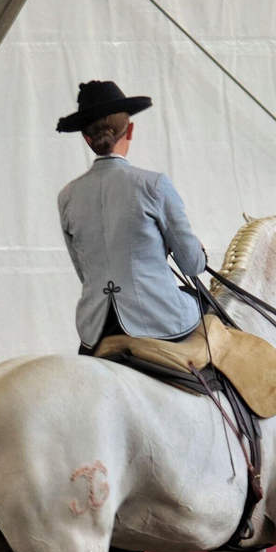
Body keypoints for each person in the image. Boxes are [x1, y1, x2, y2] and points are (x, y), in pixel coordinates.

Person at [55, 80, 207, 353]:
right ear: (131, 130)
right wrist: (199, 254)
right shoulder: (154, 185)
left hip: (97, 329)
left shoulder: (67, 196)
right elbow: (192, 265)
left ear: (87, 138)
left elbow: (84, 271)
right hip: (159, 320)